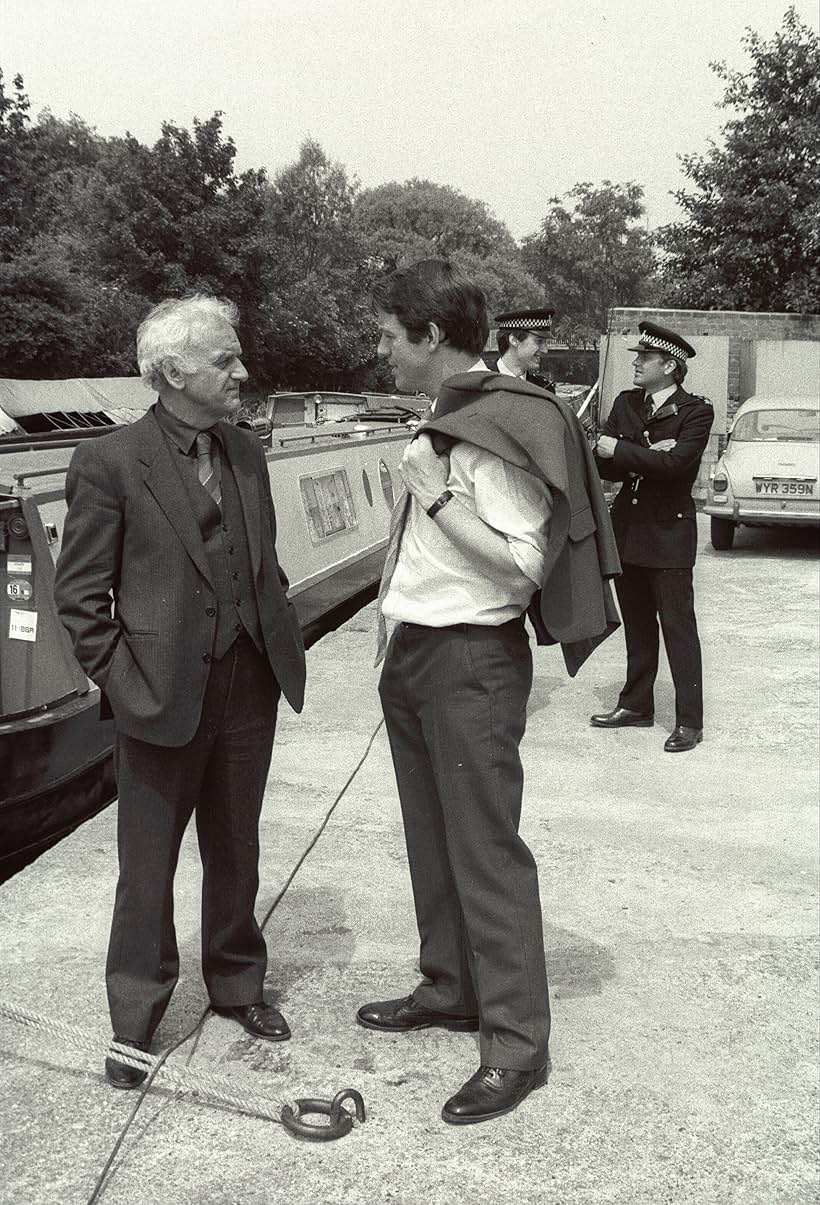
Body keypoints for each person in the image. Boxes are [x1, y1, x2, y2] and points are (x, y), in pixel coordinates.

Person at [357, 260, 620, 1125]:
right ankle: (449, 987)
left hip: (471, 659)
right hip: (420, 653)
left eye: (392, 336)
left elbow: (523, 564)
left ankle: (515, 1044)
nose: (382, 350)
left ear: (432, 337)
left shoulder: (497, 424)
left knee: (485, 850)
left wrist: (433, 501)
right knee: (433, 840)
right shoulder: (453, 416)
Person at [54, 295, 306, 1088]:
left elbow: (261, 559)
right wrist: (126, 688)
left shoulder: (245, 451)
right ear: (172, 372)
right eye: (225, 360)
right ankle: (136, 1017)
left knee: (237, 848)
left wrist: (271, 637)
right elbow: (80, 598)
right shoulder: (110, 461)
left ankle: (236, 983)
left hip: (246, 684)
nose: (242, 371)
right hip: (157, 695)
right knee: (148, 864)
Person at [591, 320, 713, 752]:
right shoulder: (627, 402)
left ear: (670, 365)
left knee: (678, 628)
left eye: (645, 358)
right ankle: (636, 705)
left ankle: (689, 722)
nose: (637, 363)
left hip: (669, 532)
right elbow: (604, 465)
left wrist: (624, 451)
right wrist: (643, 455)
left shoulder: (696, 411)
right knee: (638, 624)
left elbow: (677, 467)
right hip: (629, 529)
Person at [472, 307, 556, 391]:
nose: (545, 350)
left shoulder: (545, 388)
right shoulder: (479, 385)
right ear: (514, 340)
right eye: (539, 341)